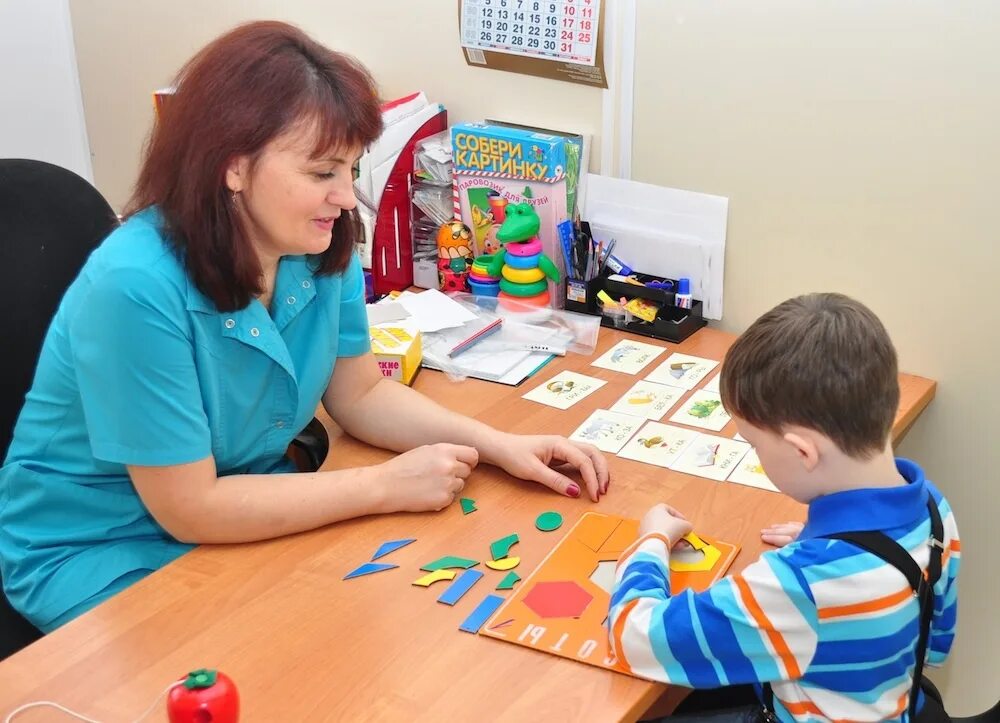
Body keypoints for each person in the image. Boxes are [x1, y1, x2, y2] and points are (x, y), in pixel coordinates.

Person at [0, 21, 608, 633]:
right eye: (322, 173)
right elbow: (192, 509)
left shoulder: (319, 245)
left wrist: (500, 446)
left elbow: (359, 395)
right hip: (101, 548)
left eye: (351, 169)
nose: (347, 197)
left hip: (244, 501)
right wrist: (382, 486)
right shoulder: (133, 286)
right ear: (233, 167)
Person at [609, 293, 959, 722]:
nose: (755, 453)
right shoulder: (933, 508)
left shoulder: (801, 583)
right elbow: (935, 644)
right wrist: (835, 551)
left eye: (754, 444)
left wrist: (651, 542)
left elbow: (634, 638)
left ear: (802, 452)